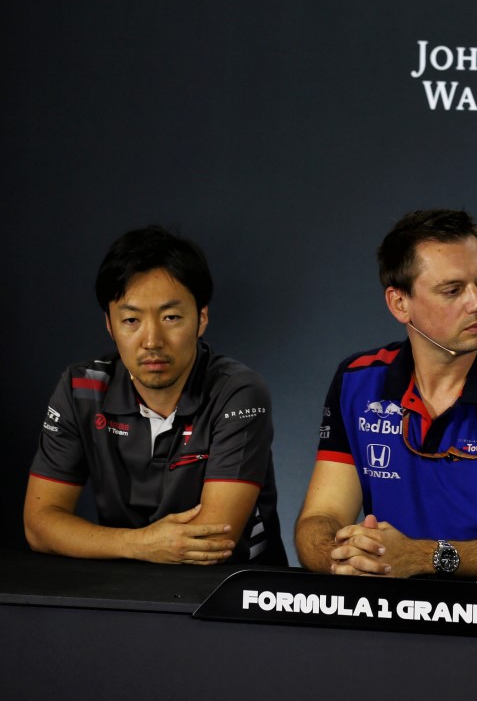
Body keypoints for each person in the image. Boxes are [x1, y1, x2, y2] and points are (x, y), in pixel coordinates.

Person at [294, 209, 477, 578]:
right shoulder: (356, 380)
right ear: (400, 303)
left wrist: (422, 557)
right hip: (381, 611)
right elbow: (319, 518)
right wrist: (343, 559)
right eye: (453, 290)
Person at [25, 226, 285, 565]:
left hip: (233, 595)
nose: (152, 341)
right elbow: (40, 525)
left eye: (171, 317)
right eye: (131, 319)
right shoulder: (82, 387)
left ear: (201, 318)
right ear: (109, 324)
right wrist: (139, 544)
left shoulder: (237, 391)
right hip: (126, 593)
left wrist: (111, 543)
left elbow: (213, 541)